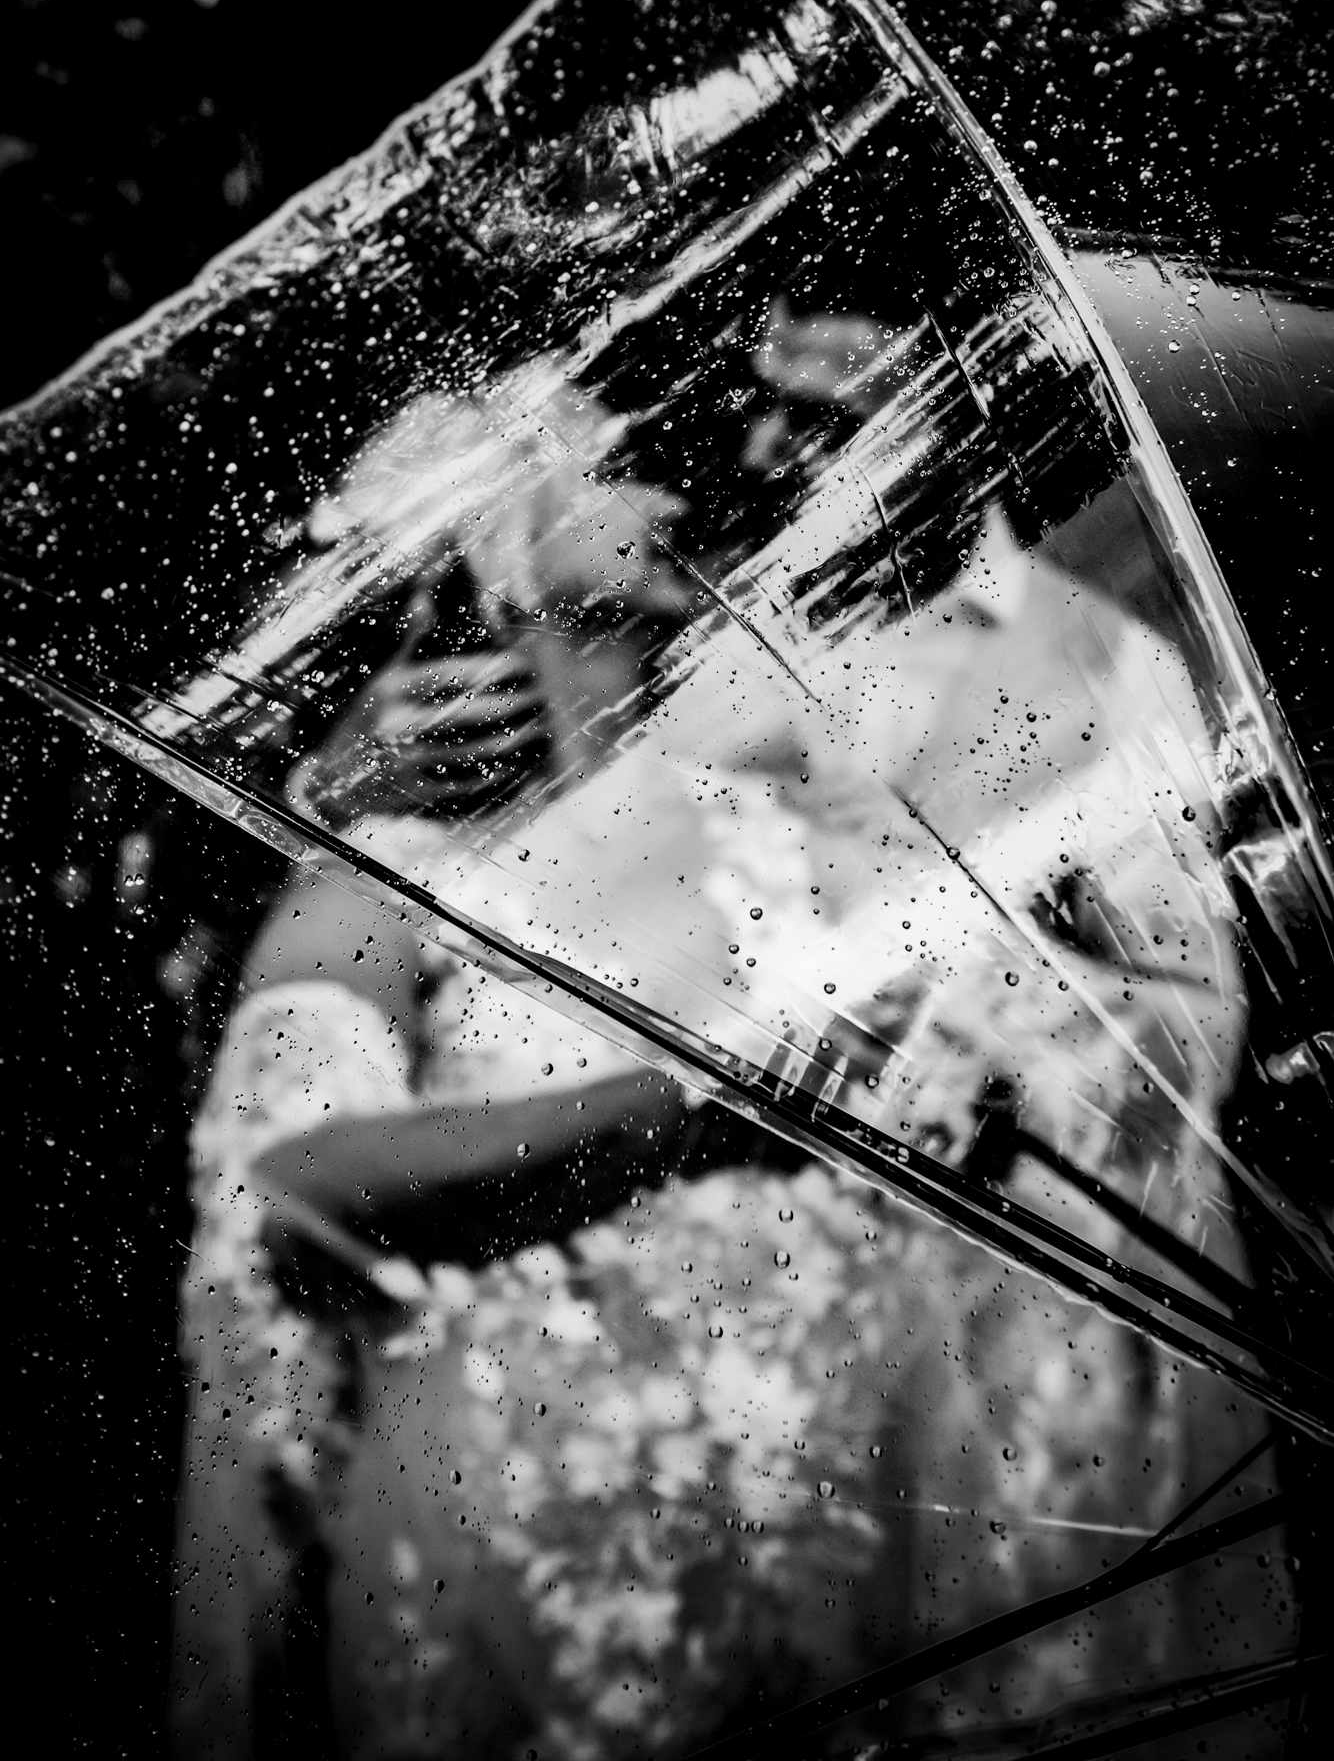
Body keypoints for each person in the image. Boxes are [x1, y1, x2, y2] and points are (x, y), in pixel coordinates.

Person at [170, 308, 1283, 1760]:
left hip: (900, 1531)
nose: (646, 454)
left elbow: (1118, 563)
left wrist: (969, 393)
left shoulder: (807, 772)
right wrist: (678, 1104)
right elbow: (294, 1201)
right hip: (563, 1592)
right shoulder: (386, 871)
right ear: (475, 543)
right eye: (578, 433)